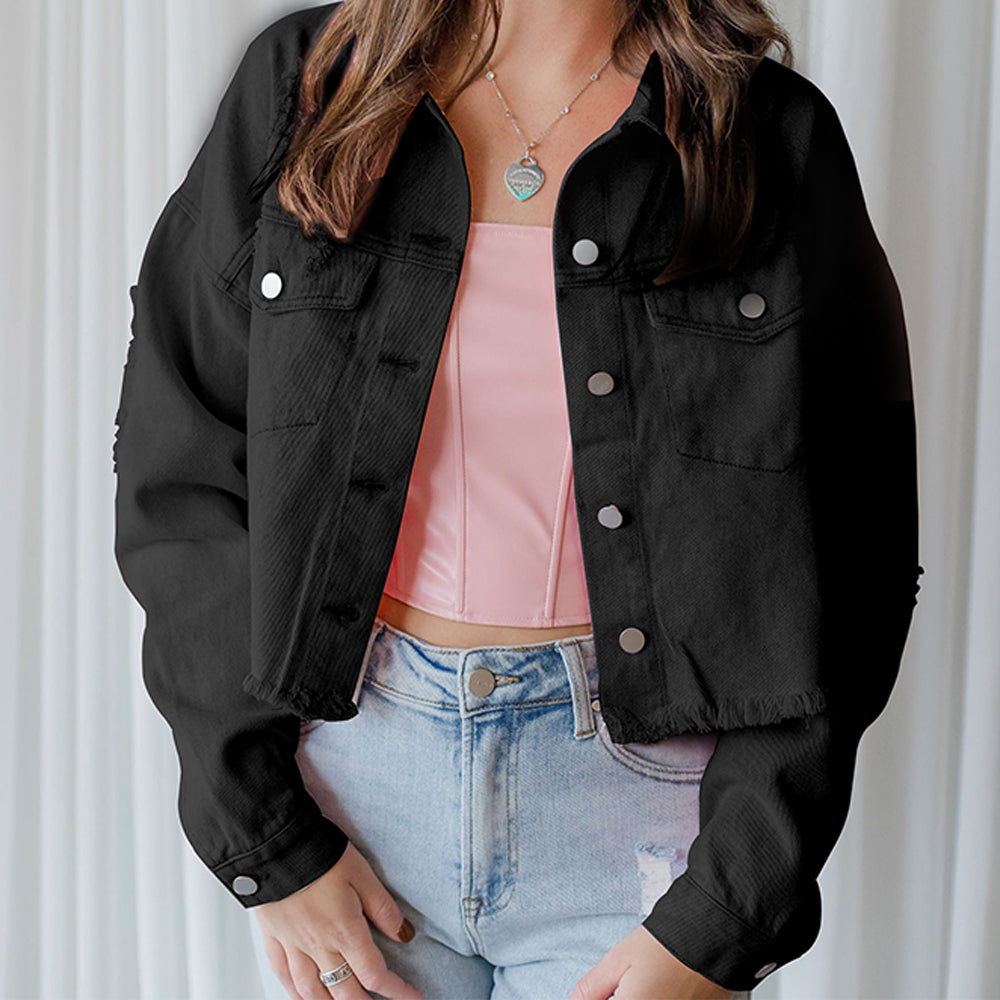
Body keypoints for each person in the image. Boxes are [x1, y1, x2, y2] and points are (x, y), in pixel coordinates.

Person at [112, 0, 923, 998]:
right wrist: (265, 839)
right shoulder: (307, 86)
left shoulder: (769, 136)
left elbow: (858, 540)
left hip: (640, 821)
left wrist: (730, 904)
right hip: (354, 797)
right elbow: (180, 456)